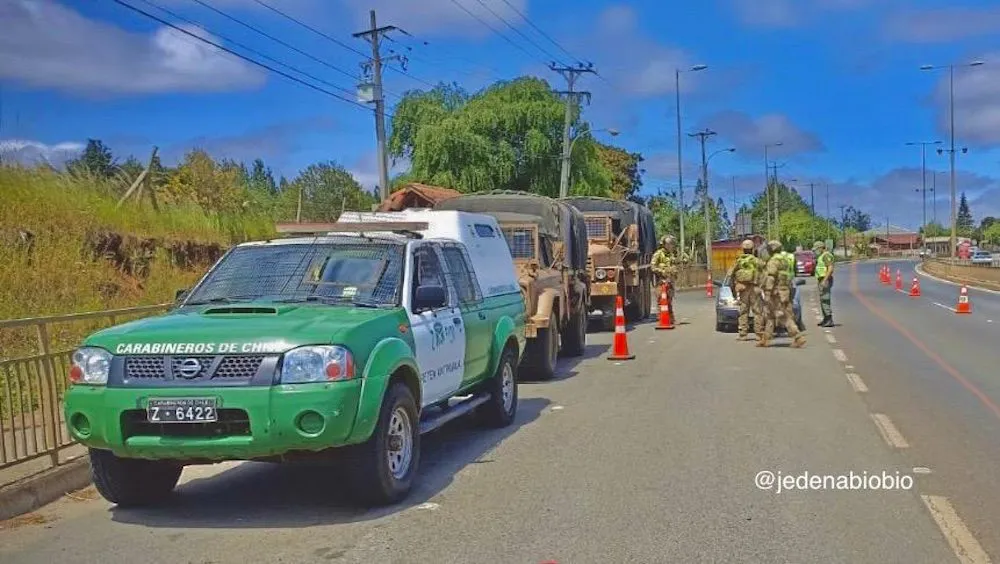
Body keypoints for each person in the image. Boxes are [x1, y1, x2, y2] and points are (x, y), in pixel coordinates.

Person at [761, 240, 806, 348]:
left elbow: (771, 277)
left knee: (782, 315)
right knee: (770, 315)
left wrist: (768, 291)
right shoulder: (784, 260)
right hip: (785, 290)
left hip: (776, 292)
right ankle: (765, 339)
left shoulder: (773, 261)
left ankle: (797, 336)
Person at [726, 239, 764, 341]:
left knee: (743, 312)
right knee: (758, 312)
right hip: (755, 289)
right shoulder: (757, 261)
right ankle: (759, 334)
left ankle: (743, 334)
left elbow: (730, 275)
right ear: (752, 249)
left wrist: (734, 291)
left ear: (743, 249)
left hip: (743, 289)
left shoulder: (738, 261)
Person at [651, 235, 688, 319]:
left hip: (670, 280)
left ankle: (670, 318)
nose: (670, 246)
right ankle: (662, 317)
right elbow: (653, 267)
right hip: (661, 280)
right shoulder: (658, 254)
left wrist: (683, 261)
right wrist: (662, 271)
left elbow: (676, 262)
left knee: (669, 299)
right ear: (664, 244)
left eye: (671, 244)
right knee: (661, 298)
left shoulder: (671, 255)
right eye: (668, 244)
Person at [814, 240, 835, 327]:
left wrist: (824, 280)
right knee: (823, 299)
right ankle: (825, 319)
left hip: (825, 279)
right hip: (821, 279)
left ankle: (829, 319)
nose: (815, 251)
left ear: (820, 248)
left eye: (816, 249)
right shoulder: (822, 255)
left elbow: (830, 268)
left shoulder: (826, 255)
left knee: (825, 299)